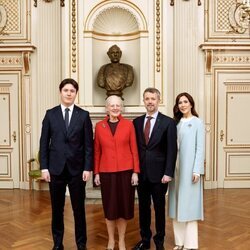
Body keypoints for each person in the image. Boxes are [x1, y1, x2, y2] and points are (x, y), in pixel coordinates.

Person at [39, 78, 93, 250]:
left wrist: (87, 168)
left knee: (79, 210)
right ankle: (57, 244)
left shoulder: (83, 115)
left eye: (72, 91)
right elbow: (44, 143)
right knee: (57, 209)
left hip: (77, 170)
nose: (69, 93)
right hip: (55, 169)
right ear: (60, 92)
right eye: (66, 90)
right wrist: (44, 167)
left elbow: (88, 145)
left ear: (76, 94)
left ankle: (81, 244)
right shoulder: (50, 114)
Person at [133, 88, 177, 250]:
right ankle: (145, 240)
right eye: (147, 99)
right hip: (141, 174)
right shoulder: (136, 122)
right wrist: (135, 171)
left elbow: (172, 150)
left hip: (160, 175)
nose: (150, 101)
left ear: (159, 100)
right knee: (143, 209)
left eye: (153, 98)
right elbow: (135, 149)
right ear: (143, 101)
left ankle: (159, 242)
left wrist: (168, 172)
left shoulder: (168, 122)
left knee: (159, 209)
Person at [94, 95, 140, 250]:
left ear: (121, 107)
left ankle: (121, 241)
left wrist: (135, 172)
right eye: (112, 105)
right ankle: (110, 240)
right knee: (110, 208)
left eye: (117, 105)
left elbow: (134, 150)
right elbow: (97, 152)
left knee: (123, 208)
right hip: (106, 172)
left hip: (126, 172)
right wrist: (96, 173)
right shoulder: (99, 126)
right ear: (106, 108)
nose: (115, 108)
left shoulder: (129, 125)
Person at [168, 92, 205, 250]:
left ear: (191, 104)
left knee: (189, 205)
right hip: (175, 170)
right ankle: (179, 242)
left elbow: (200, 148)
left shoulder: (198, 122)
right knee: (176, 205)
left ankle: (190, 244)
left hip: (190, 171)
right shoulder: (174, 123)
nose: (182, 105)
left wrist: (197, 170)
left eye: (185, 101)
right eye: (179, 102)